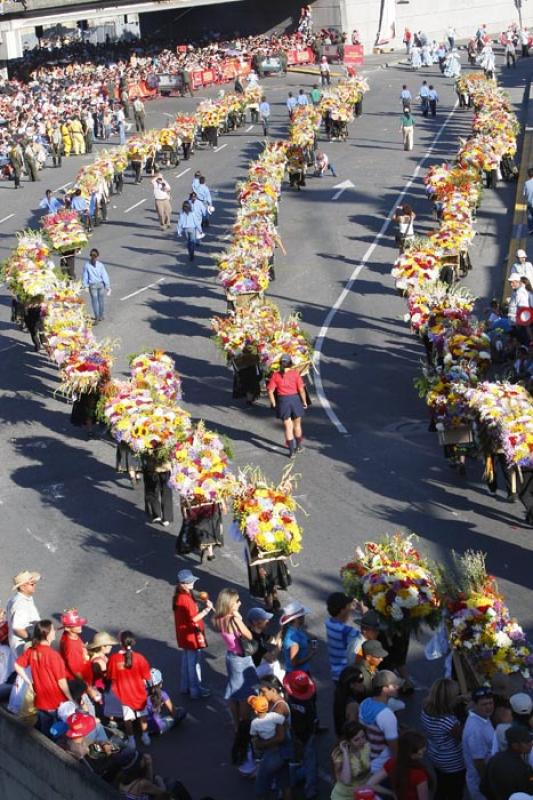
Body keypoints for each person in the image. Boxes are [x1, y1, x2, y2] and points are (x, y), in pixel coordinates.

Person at [14, 619, 74, 736]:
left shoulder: (32, 651)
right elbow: (61, 682)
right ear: (47, 634)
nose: (55, 632)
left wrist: (29, 682)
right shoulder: (53, 655)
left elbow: (17, 665)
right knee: (59, 732)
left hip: (40, 701)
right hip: (56, 702)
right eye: (53, 630)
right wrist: (71, 699)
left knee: (46, 730)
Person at [214, 588, 257, 728]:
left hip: (231, 656)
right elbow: (249, 636)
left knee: (234, 691)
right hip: (241, 659)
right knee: (244, 693)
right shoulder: (234, 620)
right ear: (230, 603)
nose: (240, 603)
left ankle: (236, 722)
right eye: (237, 601)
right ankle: (243, 724)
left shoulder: (219, 618)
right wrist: (238, 618)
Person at [420, 677, 465, 800]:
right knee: (455, 791)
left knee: (442, 785)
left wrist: (460, 699)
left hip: (435, 754)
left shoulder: (425, 709)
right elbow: (462, 737)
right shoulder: (449, 722)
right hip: (453, 762)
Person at [173, 569, 213, 699]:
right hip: (191, 635)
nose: (192, 583)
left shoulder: (180, 596)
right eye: (189, 582)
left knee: (186, 661)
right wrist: (207, 610)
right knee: (194, 664)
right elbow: (194, 619)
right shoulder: (186, 599)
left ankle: (185, 687)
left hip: (183, 633)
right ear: (182, 584)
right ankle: (195, 690)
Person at [107, 631, 151, 748]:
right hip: (139, 693)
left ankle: (132, 740)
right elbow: (147, 676)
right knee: (143, 715)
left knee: (127, 718)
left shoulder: (114, 659)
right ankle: (145, 736)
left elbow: (111, 676)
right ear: (133, 642)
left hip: (124, 694)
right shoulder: (140, 658)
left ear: (120, 643)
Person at [363, 729, 430, 800]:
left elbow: (370, 784)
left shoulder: (392, 763)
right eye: (420, 753)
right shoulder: (419, 774)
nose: (422, 756)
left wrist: (391, 793)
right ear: (411, 754)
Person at [283, 670, 319, 799]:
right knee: (310, 761)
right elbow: (313, 721)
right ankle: (310, 790)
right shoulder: (308, 704)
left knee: (292, 761)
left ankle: (291, 783)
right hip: (307, 735)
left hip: (292, 734)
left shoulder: (287, 701)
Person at [359, 670, 401, 773]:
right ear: (384, 689)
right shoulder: (387, 715)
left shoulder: (365, 703)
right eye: (394, 686)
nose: (398, 687)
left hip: (367, 758)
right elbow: (393, 747)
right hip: (382, 764)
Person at [267, 354, 308, 458]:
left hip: (283, 401)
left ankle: (291, 452)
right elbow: (301, 390)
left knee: (288, 427)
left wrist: (273, 403)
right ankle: (298, 446)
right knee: (297, 425)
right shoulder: (295, 374)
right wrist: (304, 402)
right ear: (290, 363)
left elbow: (270, 391)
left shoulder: (275, 375)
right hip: (294, 399)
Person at [462, 686, 495, 800]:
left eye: (491, 703)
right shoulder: (475, 731)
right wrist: (487, 783)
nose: (489, 707)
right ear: (475, 705)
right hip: (480, 782)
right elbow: (479, 762)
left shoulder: (482, 716)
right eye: (484, 704)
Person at [483, 726, 533, 800]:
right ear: (515, 745)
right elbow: (526, 792)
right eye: (526, 742)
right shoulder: (521, 768)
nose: (531, 744)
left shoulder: (494, 759)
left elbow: (483, 787)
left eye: (531, 740)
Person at [331, 721, 372, 799]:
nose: (362, 741)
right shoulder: (339, 756)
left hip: (361, 793)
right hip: (344, 796)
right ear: (348, 741)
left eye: (363, 737)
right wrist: (345, 753)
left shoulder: (366, 747)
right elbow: (346, 780)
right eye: (356, 740)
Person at [325, 593, 360, 682]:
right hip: (347, 675)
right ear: (342, 610)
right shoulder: (347, 631)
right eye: (348, 606)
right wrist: (364, 613)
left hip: (335, 673)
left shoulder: (329, 623)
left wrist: (350, 608)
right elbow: (364, 637)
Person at [6, 570, 40, 657]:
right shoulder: (20, 604)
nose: (35, 585)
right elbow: (17, 629)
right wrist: (36, 639)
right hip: (24, 647)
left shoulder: (23, 599)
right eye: (32, 584)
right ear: (22, 587)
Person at [146, 668, 186, 735]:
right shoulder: (162, 694)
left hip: (143, 725)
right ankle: (157, 728)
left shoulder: (142, 692)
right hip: (158, 726)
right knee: (182, 711)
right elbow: (173, 712)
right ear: (160, 683)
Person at [59, 608, 93, 684]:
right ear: (68, 628)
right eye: (76, 625)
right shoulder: (71, 646)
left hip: (85, 669)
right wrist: (86, 686)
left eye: (79, 624)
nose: (80, 626)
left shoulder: (71, 635)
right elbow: (75, 670)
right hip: (82, 677)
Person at [281, 601, 314, 675]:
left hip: (301, 672)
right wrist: (311, 654)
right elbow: (294, 663)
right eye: (303, 616)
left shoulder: (295, 629)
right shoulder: (294, 642)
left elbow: (303, 639)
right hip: (297, 675)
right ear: (296, 619)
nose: (304, 617)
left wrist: (310, 640)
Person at [141, 452, 174, 527]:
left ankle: (156, 513)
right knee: (166, 491)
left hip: (151, 466)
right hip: (165, 466)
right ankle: (167, 517)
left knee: (151, 489)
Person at [333, 666, 367, 736]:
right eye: (360, 680)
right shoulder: (353, 705)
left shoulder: (340, 695)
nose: (363, 683)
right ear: (351, 685)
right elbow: (352, 731)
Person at [82, 248, 110, 323]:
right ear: (97, 256)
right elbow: (105, 276)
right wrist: (107, 286)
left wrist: (85, 286)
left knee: (94, 301)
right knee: (101, 301)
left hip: (92, 286)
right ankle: (101, 316)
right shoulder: (100, 265)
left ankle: (96, 316)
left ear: (90, 256)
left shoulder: (87, 265)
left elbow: (85, 277)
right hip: (100, 284)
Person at [523, 167, 533, 235]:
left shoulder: (526, 183)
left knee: (529, 217)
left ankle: (530, 230)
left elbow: (524, 194)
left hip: (529, 204)